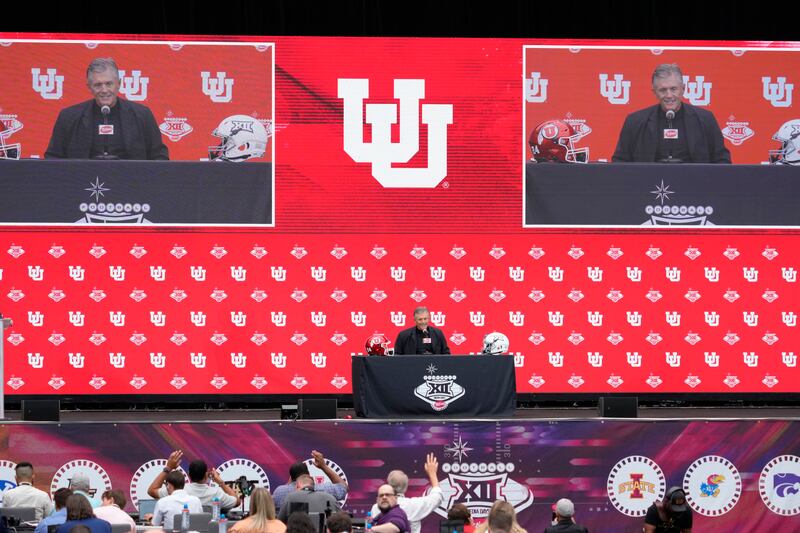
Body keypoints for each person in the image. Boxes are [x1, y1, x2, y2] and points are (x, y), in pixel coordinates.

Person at [45, 57, 169, 160]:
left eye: (109, 84)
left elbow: (159, 156)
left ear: (119, 84)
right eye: (98, 85)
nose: (104, 90)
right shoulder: (69, 117)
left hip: (132, 184)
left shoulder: (142, 115)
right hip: (82, 184)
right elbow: (53, 158)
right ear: (89, 87)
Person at [612, 63, 730, 164]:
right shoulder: (635, 122)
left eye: (673, 89)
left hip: (695, 187)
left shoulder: (705, 119)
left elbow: (722, 161)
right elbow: (620, 162)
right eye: (663, 90)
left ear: (683, 89)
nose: (669, 95)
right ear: (654, 92)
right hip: (648, 187)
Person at [369, 454, 443, 533]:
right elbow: (437, 497)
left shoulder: (376, 508)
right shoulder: (413, 505)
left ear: (388, 484)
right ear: (406, 487)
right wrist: (432, 474)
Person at [147, 450, 239, 510]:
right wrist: (220, 482)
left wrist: (168, 468)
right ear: (206, 475)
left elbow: (152, 491)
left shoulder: (178, 491)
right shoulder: (217, 494)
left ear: (189, 474)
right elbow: (237, 501)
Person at [272, 450, 348, 510]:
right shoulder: (324, 490)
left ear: (291, 477)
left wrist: (289, 483)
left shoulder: (279, 492)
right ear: (309, 475)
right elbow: (343, 487)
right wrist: (324, 466)